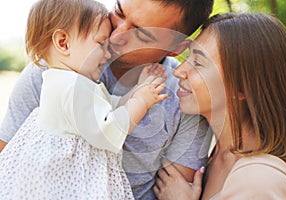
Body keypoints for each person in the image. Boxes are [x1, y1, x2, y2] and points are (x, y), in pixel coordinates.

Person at [0, 0, 214, 198]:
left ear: (175, 48)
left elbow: (173, 191)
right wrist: (140, 99)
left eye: (141, 34)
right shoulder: (51, 71)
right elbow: (8, 167)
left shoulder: (186, 96)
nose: (115, 36)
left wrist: (139, 92)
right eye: (118, 12)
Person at [153, 12, 286, 199]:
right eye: (188, 57)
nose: (180, 71)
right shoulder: (213, 157)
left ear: (242, 87)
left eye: (198, 62)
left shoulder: (260, 181)